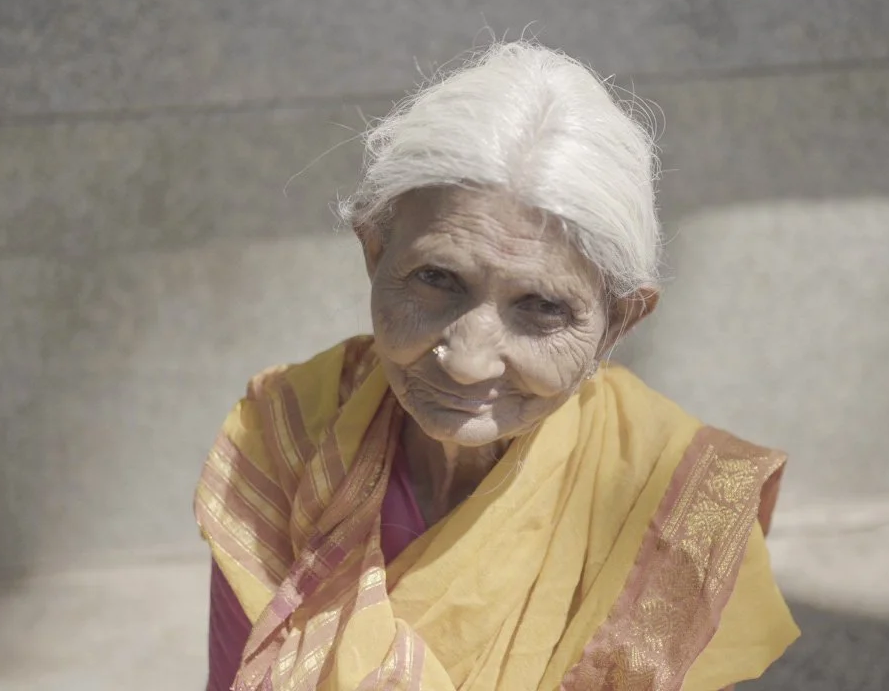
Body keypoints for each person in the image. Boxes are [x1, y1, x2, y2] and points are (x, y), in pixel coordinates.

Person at [195, 41, 798, 691]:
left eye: (540, 306)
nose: (468, 362)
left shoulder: (683, 498)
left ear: (619, 321)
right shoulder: (285, 436)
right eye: (435, 278)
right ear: (375, 252)